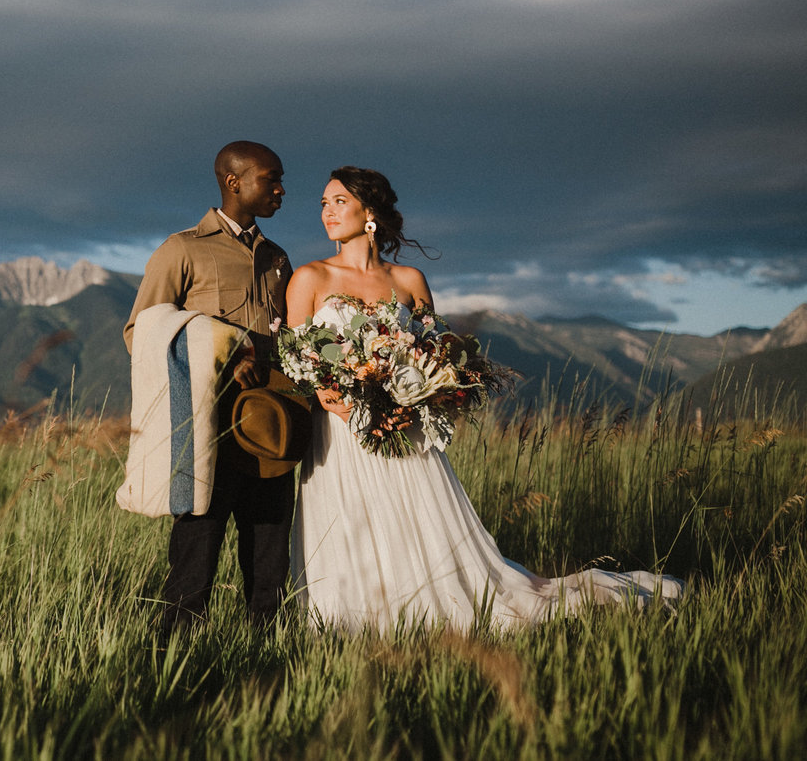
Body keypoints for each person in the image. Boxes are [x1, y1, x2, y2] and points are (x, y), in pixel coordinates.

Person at [286, 166, 684, 631]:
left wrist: (417, 396)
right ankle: (355, 616)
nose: (327, 213)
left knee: (424, 530)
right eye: (323, 204)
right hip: (341, 431)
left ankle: (428, 608)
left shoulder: (409, 280)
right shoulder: (309, 278)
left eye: (338, 202)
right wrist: (336, 397)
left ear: (369, 211)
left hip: (408, 429)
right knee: (351, 521)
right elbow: (299, 362)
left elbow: (436, 357)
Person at [122, 140, 294, 633]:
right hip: (207, 427)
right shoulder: (182, 249)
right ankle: (173, 651)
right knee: (197, 549)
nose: (281, 189)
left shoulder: (278, 257)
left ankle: (270, 650)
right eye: (271, 178)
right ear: (233, 181)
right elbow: (141, 334)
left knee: (270, 552)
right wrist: (217, 348)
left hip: (271, 425)